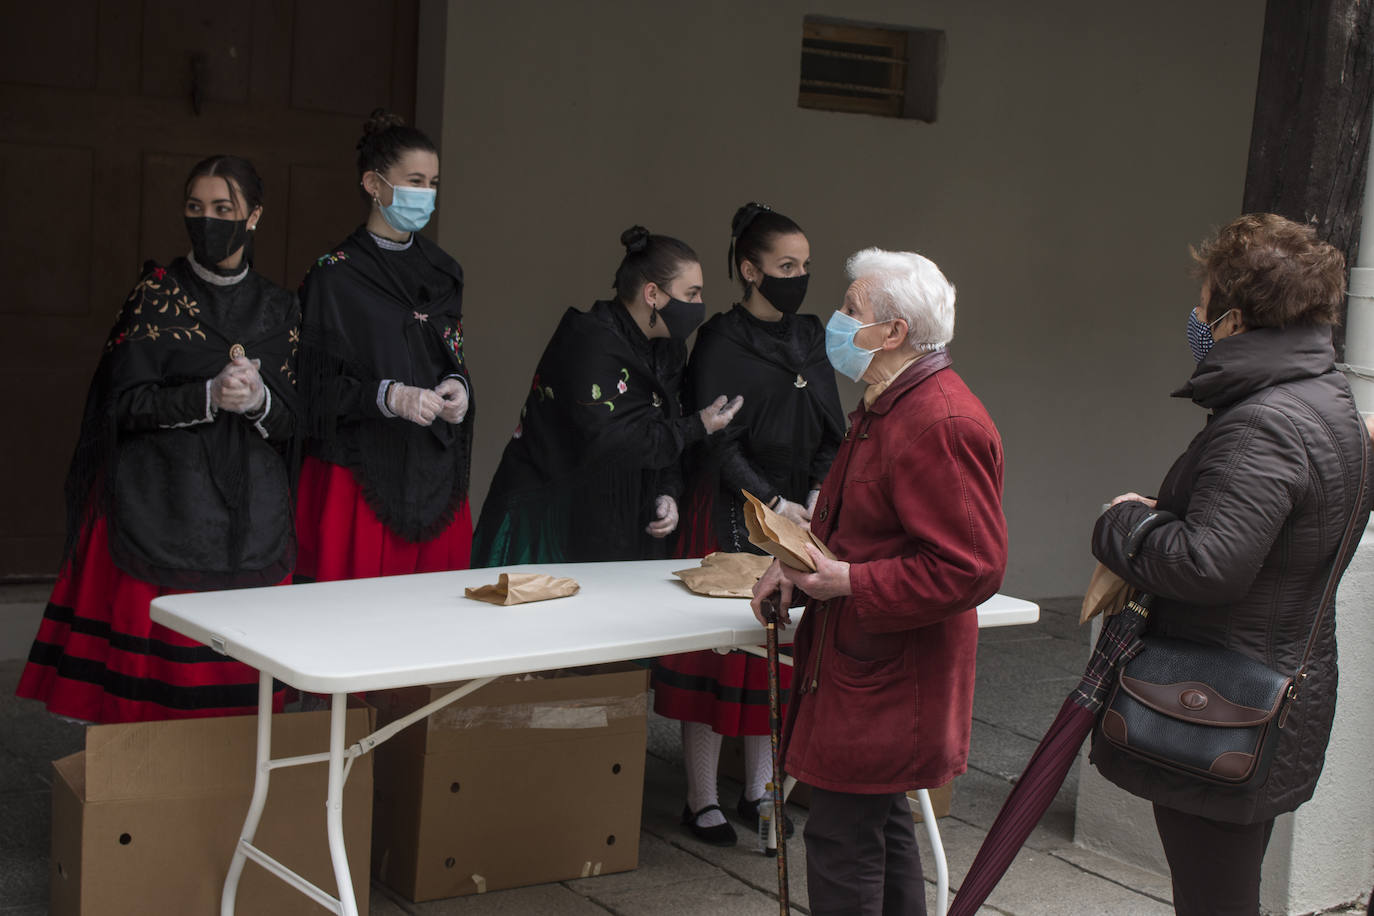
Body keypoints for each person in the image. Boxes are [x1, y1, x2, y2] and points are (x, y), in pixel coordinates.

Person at [1089, 213, 1371, 916]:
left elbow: (1210, 565)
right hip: (1271, 686)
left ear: (1236, 318)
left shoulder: (1265, 421)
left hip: (1224, 702)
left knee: (1215, 899)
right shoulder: (1329, 399)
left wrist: (1125, 520)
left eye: (1206, 301)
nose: (1196, 317)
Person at [751, 248, 1007, 916]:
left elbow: (970, 565)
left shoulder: (939, 421)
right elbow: (862, 532)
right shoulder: (888, 404)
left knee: (843, 839)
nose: (834, 320)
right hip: (866, 667)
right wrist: (798, 567)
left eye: (850, 309)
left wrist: (850, 582)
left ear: (893, 333)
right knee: (879, 826)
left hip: (891, 676)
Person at [16, 155, 300, 723]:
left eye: (224, 209)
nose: (208, 220)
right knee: (153, 707)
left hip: (252, 517)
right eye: (196, 208)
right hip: (161, 503)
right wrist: (205, 396)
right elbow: (120, 405)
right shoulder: (156, 295)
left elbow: (296, 419)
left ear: (255, 216)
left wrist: (260, 402)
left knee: (243, 707)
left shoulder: (282, 306)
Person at [653, 203, 844, 846]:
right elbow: (716, 438)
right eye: (785, 266)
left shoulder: (811, 335)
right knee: (717, 658)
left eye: (805, 266)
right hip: (731, 508)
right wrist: (769, 498)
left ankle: (762, 789)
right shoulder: (718, 340)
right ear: (749, 269)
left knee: (776, 655)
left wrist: (816, 488)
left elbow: (830, 424)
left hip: (793, 515)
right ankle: (700, 797)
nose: (798, 277)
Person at [472, 226, 743, 565]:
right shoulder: (590, 343)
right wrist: (699, 425)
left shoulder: (670, 349)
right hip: (558, 517)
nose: (700, 306)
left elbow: (666, 425)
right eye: (692, 294)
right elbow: (616, 441)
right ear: (652, 294)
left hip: (626, 515)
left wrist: (667, 492)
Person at [295, 110, 473, 582]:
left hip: (432, 471)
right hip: (358, 476)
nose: (427, 194)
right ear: (374, 184)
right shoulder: (334, 275)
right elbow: (313, 388)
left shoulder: (444, 271)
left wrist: (457, 386)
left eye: (433, 182)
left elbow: (448, 352)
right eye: (415, 180)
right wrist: (389, 396)